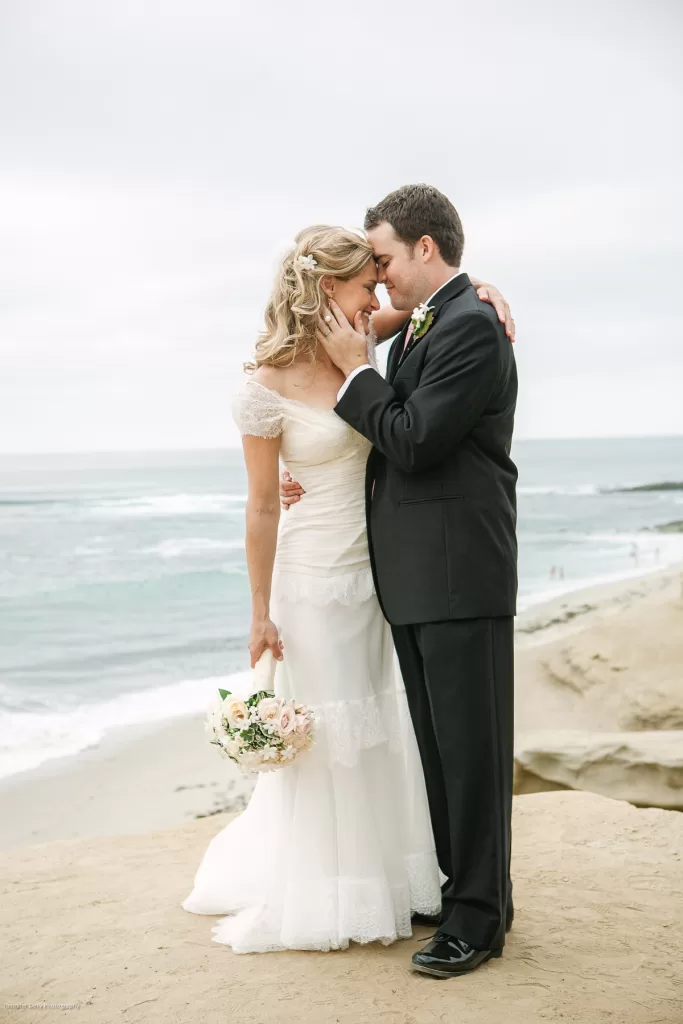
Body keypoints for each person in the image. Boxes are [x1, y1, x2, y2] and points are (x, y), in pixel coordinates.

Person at [182, 219, 514, 962]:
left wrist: (487, 290)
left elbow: (441, 309)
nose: (377, 294)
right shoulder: (265, 387)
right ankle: (338, 889)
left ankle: (409, 886)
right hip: (314, 578)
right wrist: (258, 612)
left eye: (381, 276)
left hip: (384, 575)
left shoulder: (366, 341)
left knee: (389, 730)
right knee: (334, 731)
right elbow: (263, 504)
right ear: (327, 286)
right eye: (366, 282)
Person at [284, 185, 518, 977]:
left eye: (382, 258)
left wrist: (356, 376)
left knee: (472, 751)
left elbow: (412, 440)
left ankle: (479, 919)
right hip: (418, 578)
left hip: (459, 571)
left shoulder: (471, 327)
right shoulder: (432, 321)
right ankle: (465, 893)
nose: (377, 277)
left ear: (426, 248)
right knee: (441, 748)